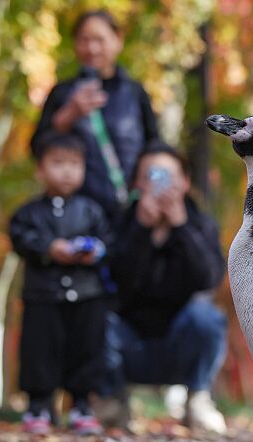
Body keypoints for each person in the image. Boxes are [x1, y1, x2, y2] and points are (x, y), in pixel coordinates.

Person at [99, 142, 228, 433]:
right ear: (137, 183)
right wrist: (142, 230)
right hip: (130, 344)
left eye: (168, 176)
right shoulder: (121, 222)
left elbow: (208, 279)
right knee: (94, 316)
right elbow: (116, 282)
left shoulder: (200, 223)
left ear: (185, 182)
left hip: (180, 343)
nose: (160, 184)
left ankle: (198, 399)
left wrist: (181, 227)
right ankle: (113, 403)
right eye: (151, 175)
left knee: (207, 316)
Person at [8, 131, 111, 435]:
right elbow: (20, 238)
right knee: (40, 351)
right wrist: (49, 248)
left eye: (74, 164)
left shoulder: (91, 210)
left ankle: (82, 406)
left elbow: (108, 241)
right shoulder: (29, 212)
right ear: (41, 170)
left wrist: (94, 251)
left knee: (86, 349)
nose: (67, 171)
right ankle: (38, 406)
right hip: (43, 295)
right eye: (58, 163)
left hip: (87, 294)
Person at [31, 9, 160, 220]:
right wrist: (69, 115)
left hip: (129, 210)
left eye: (99, 40)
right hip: (75, 212)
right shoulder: (62, 93)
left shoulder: (135, 93)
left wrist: (151, 192)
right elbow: (37, 148)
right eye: (84, 40)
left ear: (118, 40)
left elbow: (155, 148)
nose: (92, 48)